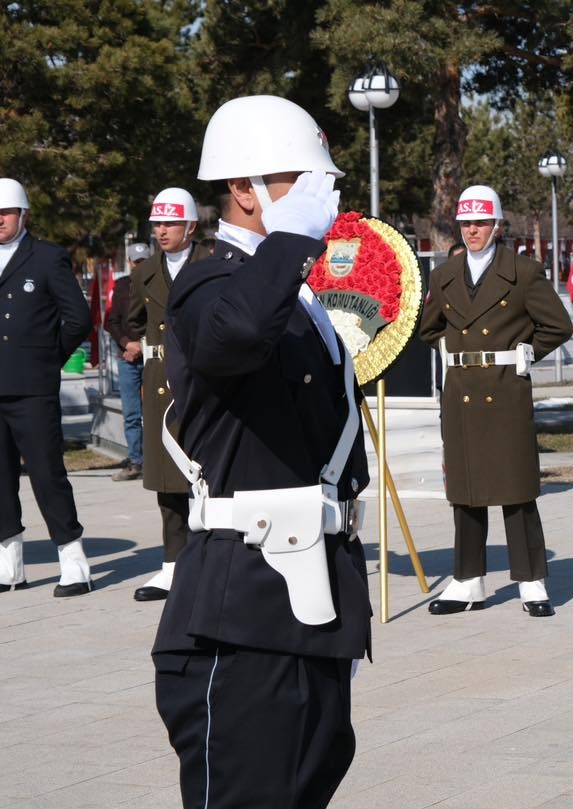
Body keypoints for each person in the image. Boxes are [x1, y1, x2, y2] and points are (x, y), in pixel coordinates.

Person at [151, 95, 371, 808]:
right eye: (300, 180)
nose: (320, 197)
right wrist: (291, 242)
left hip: (310, 600)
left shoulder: (297, 298)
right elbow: (234, 336)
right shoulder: (209, 283)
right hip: (241, 606)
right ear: (243, 189)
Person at [418, 184, 573, 617]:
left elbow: (558, 325)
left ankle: (531, 580)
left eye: (481, 223)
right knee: (465, 491)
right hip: (461, 392)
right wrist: (454, 349)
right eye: (466, 223)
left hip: (505, 389)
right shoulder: (444, 276)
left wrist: (528, 352)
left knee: (516, 488)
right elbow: (429, 328)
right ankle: (468, 581)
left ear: (498, 225)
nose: (472, 231)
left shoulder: (523, 271)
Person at [0, 177, 93, 597]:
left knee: (47, 473)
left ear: (23, 215)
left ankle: (74, 561)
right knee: (0, 479)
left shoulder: (46, 257)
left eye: (6, 212)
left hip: (33, 387)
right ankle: (10, 564)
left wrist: (46, 357)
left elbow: (78, 319)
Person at [128, 187, 209, 602]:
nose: (162, 230)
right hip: (162, 381)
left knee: (209, 472)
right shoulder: (144, 272)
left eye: (170, 223)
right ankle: (173, 565)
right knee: (168, 480)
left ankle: (212, 560)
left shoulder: (212, 264)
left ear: (190, 226)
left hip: (206, 378)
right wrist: (134, 344)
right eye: (157, 223)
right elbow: (131, 319)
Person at [107, 242, 152, 481]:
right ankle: (136, 461)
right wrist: (127, 344)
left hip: (153, 355)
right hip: (127, 359)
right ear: (130, 262)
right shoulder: (122, 286)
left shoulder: (159, 283)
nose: (140, 266)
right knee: (132, 414)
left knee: (156, 411)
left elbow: (163, 320)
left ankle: (157, 461)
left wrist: (142, 345)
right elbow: (112, 321)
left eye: (144, 261)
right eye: (136, 262)